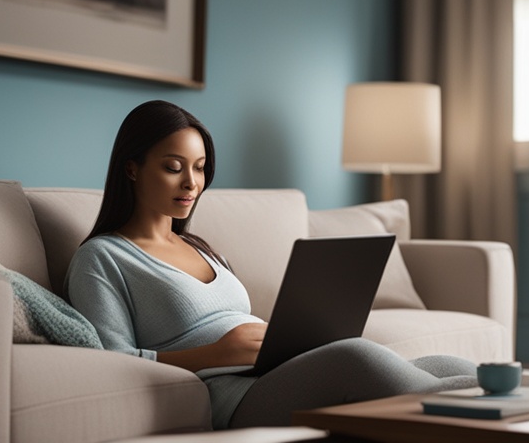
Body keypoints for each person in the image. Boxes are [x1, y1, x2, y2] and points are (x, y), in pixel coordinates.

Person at [66, 100, 478, 429]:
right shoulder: (103, 257)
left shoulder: (202, 248)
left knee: (455, 367)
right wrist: (214, 353)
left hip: (274, 370)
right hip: (234, 396)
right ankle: (500, 410)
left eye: (200, 168)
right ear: (131, 168)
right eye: (173, 168)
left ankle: (503, 406)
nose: (192, 183)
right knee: (358, 358)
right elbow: (109, 359)